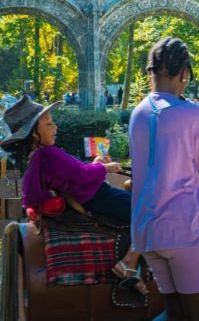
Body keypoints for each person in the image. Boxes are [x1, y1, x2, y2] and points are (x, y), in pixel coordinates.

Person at [0, 95, 147, 293]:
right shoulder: (49, 154)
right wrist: (106, 169)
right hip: (98, 196)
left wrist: (95, 165)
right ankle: (130, 262)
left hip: (84, 197)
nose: (55, 127)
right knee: (147, 211)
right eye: (49, 124)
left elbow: (72, 175)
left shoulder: (35, 157)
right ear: (34, 133)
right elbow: (80, 174)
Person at [129, 36, 199, 321]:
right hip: (184, 229)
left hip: (146, 231)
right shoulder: (194, 113)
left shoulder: (137, 113)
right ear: (184, 74)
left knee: (175, 312)